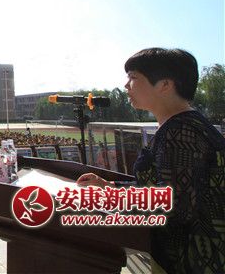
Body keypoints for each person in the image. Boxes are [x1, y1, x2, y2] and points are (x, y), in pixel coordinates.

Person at [76, 48, 225, 274]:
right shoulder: (182, 126)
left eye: (133, 77)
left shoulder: (181, 133)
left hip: (191, 263)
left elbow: (173, 206)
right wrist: (109, 187)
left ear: (165, 84)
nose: (126, 85)